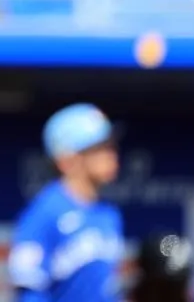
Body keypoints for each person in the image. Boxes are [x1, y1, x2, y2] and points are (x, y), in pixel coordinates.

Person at [9, 103, 125, 302]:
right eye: (99, 148)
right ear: (67, 160)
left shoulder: (109, 214)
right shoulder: (44, 213)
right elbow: (29, 289)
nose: (111, 154)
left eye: (111, 146)